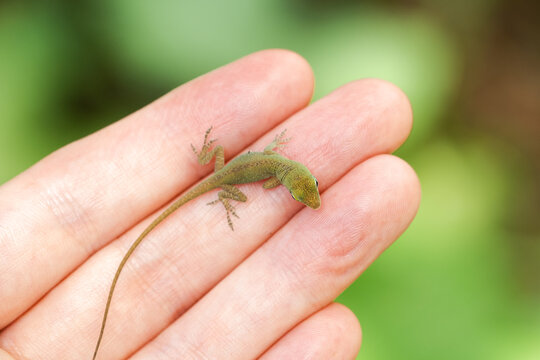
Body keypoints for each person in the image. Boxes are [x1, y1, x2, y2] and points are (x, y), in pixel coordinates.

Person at [0, 50, 420, 359]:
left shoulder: (283, 163)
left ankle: (208, 156)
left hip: (222, 168)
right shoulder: (280, 173)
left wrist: (231, 162)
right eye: (304, 191)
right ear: (301, 180)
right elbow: (272, 176)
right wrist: (238, 194)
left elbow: (271, 154)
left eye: (304, 192)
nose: (306, 194)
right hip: (223, 182)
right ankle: (224, 196)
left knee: (216, 158)